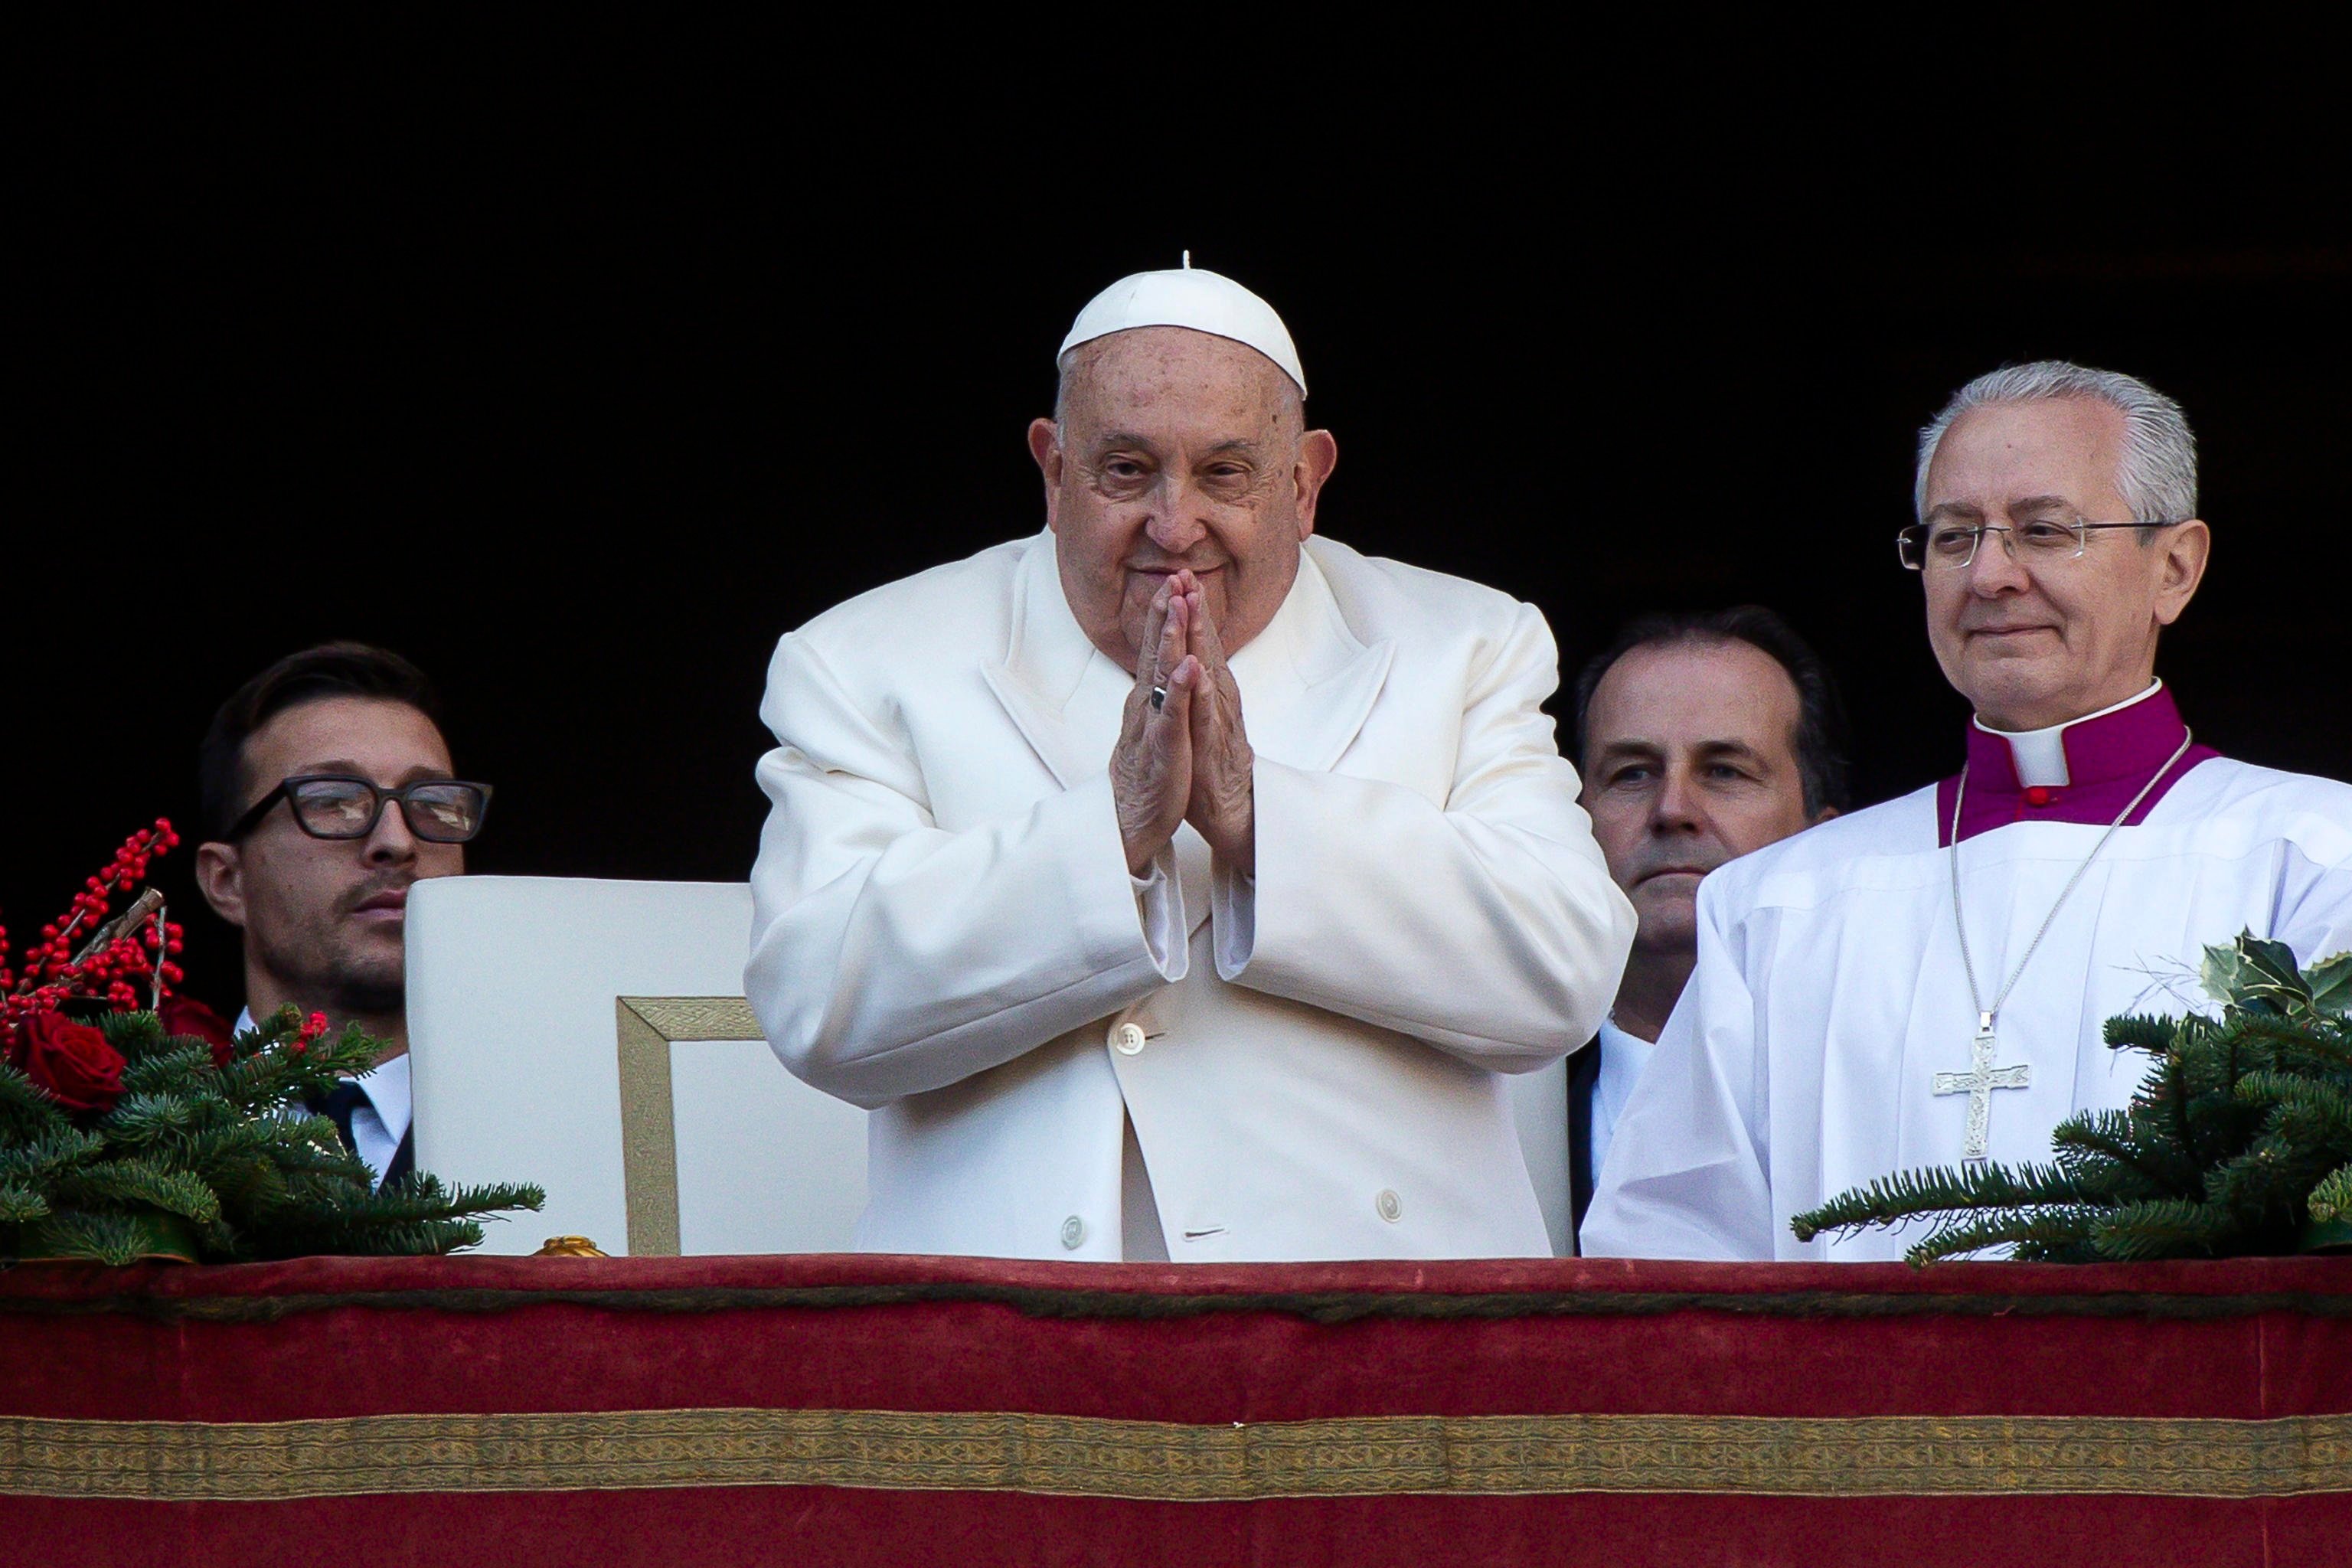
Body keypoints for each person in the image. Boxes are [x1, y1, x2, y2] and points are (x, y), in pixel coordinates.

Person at [746, 260, 1635, 1261]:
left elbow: (1564, 970)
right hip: (1016, 1332)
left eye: (1225, 473)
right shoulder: (869, 659)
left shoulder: (1464, 643)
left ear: (1305, 483)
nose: (1175, 527)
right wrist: (1113, 836)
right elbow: (817, 1000)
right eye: (1126, 470)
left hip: (1384, 1324)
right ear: (1051, 469)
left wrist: (1258, 820)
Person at [1583, 361, 2352, 1261]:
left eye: (2042, 529)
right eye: (1954, 538)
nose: (1990, 574)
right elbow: (1674, 1250)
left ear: (2174, 567)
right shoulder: (1774, 904)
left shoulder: (2315, 857)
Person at [1539, 608, 1845, 1245]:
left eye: (1724, 771)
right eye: (1632, 774)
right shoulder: (1491, 1105)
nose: (1672, 809)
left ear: (1824, 840)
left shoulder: (1884, 1088)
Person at [193, 643, 491, 1191]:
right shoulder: (120, 1135)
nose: (397, 842)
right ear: (226, 881)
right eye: (334, 800)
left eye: (434, 802)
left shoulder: (567, 1116)